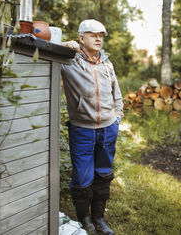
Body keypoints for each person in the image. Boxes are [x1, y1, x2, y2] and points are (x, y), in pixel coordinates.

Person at [61, 19, 123, 235]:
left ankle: (99, 218)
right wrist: (65, 44)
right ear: (81, 38)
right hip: (82, 129)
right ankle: (85, 219)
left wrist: (117, 118)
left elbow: (117, 95)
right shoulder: (68, 62)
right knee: (82, 176)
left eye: (101, 36)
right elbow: (47, 52)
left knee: (103, 174)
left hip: (108, 128)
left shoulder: (107, 64)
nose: (98, 39)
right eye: (93, 34)